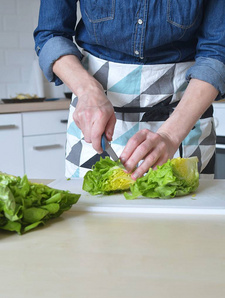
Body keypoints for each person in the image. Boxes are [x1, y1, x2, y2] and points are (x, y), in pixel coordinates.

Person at [34, 0, 225, 179]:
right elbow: (51, 35)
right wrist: (88, 91)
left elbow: (217, 52)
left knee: (186, 213)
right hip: (94, 117)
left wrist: (170, 135)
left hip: (183, 119)